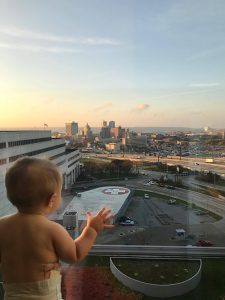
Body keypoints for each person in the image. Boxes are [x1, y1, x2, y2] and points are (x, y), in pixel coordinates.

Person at [0, 157, 113, 299]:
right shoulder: (52, 230)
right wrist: (91, 230)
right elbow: (75, 254)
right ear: (52, 199)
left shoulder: (2, 226)